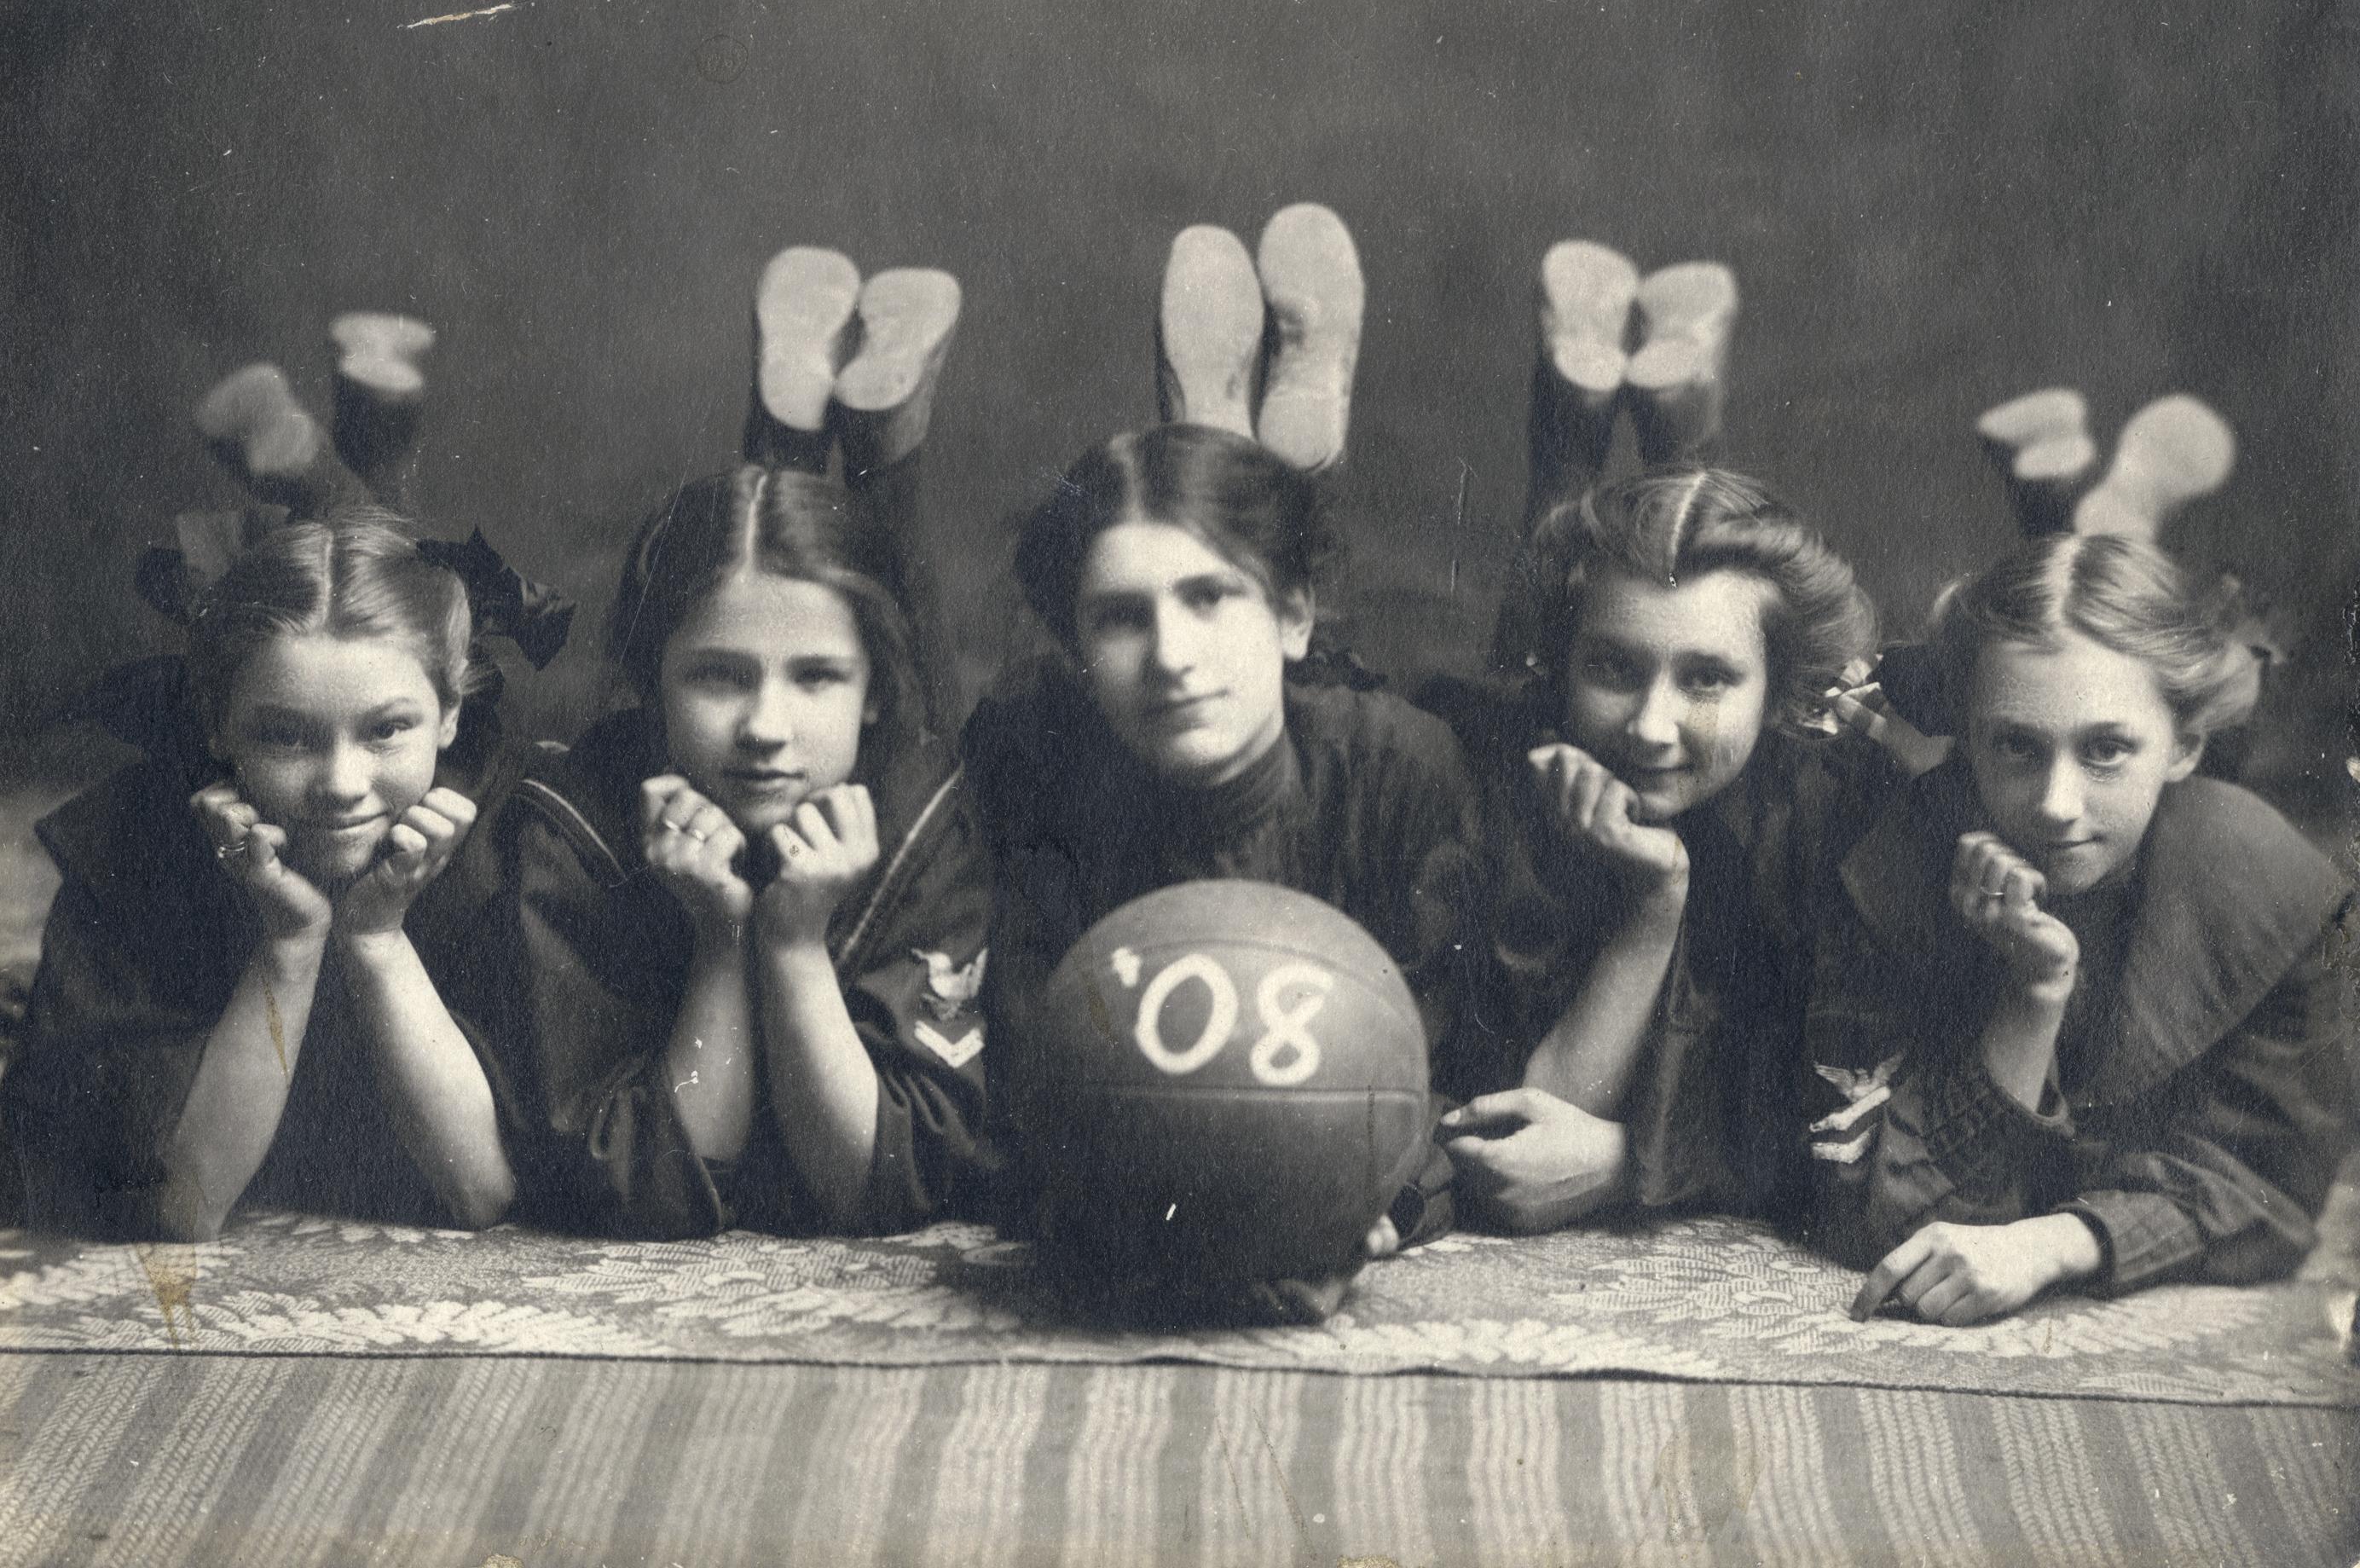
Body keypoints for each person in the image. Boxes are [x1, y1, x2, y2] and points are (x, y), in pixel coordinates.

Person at [963, 421, 1491, 1317]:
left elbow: (1429, 1083)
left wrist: (1352, 1209)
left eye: (1209, 597)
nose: (1171, 657)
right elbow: (1035, 1098)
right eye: (1121, 617)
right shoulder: (1042, 779)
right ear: (1077, 652)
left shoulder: (1394, 770)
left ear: (1293, 616)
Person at [1811, 535, 2351, 1324]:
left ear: (2185, 746)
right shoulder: (1892, 864)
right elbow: (1891, 1214)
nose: (2057, 805)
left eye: (2105, 750)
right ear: (1968, 740)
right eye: (2017, 747)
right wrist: (2033, 996)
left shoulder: (2269, 886)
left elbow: (2266, 1188)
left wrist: (2058, 1244)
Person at [497, 464, 992, 1237]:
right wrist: (721, 939)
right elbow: (638, 1190)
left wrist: (795, 945)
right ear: (653, 681)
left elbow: (885, 1186)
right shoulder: (575, 824)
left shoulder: (924, 816)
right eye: (719, 677)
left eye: (817, 677)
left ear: (875, 691)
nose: (765, 727)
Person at [7, 509, 529, 1240]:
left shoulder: (514, 844)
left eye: (386, 730)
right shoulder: (129, 848)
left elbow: (481, 1194)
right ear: (218, 725)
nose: (341, 785)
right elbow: (186, 1206)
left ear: (449, 715)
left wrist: (377, 938)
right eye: (286, 736)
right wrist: (291, 942)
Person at [1425, 466, 1889, 1234]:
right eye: (1613, 668)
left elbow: (1841, 1132)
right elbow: (1527, 1144)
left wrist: (1632, 1164)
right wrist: (1654, 904)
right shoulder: (1489, 787)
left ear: (1779, 692)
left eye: (1705, 679)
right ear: (1562, 663)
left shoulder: (1827, 825)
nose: (1649, 726)